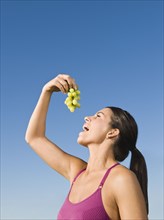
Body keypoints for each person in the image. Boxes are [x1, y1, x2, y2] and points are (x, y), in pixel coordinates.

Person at [25, 74, 148, 220]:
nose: (87, 117)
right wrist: (46, 91)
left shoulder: (121, 179)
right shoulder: (77, 172)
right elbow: (34, 138)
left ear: (112, 132)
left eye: (99, 116)